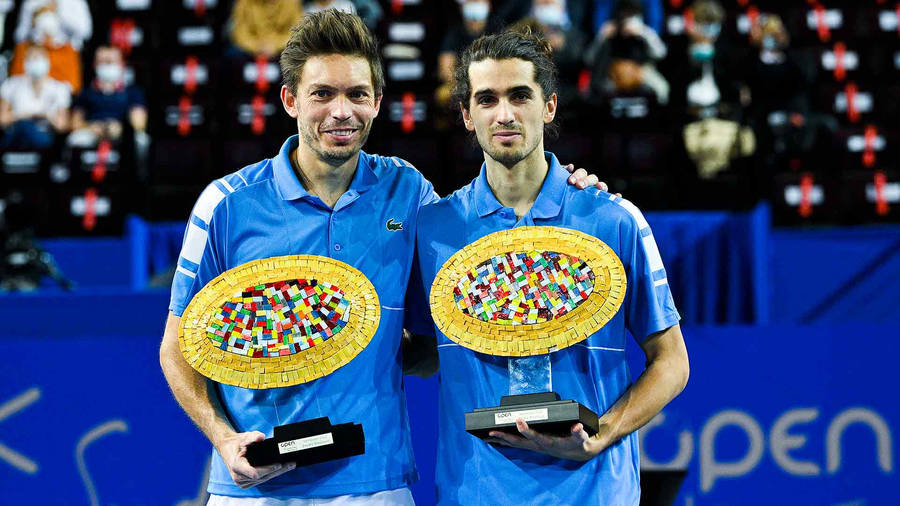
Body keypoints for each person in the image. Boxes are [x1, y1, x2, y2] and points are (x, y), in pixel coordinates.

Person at [158, 10, 604, 504]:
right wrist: (223, 439)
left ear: (377, 103)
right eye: (322, 94)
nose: (340, 111)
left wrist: (571, 191)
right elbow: (178, 346)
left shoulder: (408, 193)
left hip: (377, 487)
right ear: (290, 100)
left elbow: (489, 258)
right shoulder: (225, 203)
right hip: (255, 491)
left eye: (356, 95)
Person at [411, 27, 689, 504]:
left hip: (595, 492)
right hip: (477, 494)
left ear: (549, 107)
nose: (504, 114)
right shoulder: (432, 231)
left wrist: (601, 433)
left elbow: (672, 362)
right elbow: (424, 352)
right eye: (487, 99)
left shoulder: (612, 219)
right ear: (465, 114)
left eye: (520, 95)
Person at [69, 46, 147, 146]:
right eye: (103, 61)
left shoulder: (133, 92)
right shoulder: (85, 93)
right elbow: (75, 123)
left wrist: (120, 128)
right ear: (95, 65)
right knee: (76, 139)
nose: (107, 65)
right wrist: (91, 127)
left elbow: (140, 123)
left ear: (122, 64)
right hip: (92, 132)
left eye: (110, 61)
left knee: (140, 140)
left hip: (123, 133)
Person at [0, 45, 71, 149]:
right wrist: (23, 115)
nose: (35, 62)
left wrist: (46, 116)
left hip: (44, 135)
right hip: (16, 133)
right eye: (31, 59)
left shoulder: (60, 88)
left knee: (32, 132)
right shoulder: (11, 84)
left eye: (38, 58)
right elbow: (2, 119)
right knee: (24, 127)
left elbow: (62, 125)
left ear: (47, 61)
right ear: (25, 62)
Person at [9, 5, 83, 94]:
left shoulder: (68, 50)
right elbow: (14, 82)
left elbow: (73, 86)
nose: (46, 22)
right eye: (42, 17)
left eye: (50, 16)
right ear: (34, 22)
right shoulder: (23, 48)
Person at [228, 0, 305, 59]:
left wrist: (275, 46)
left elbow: (297, 31)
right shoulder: (245, 2)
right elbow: (239, 31)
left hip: (282, 49)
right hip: (249, 50)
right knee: (230, 56)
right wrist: (255, 47)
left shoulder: (291, 3)